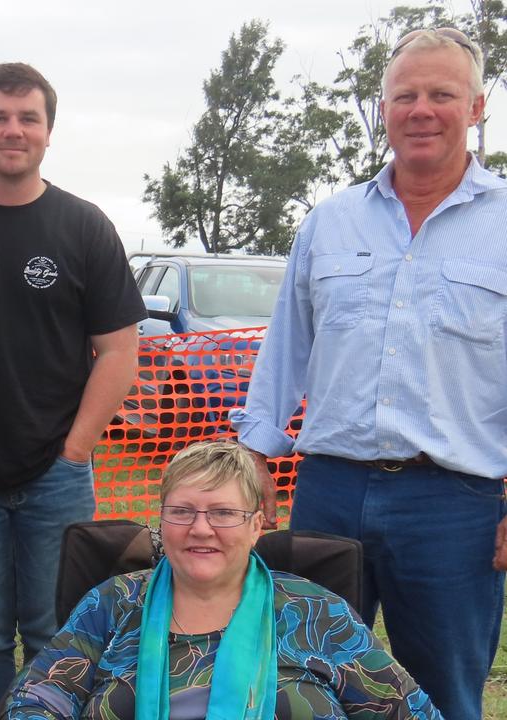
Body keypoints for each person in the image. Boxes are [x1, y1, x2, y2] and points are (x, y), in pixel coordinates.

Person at [230, 27, 507, 719]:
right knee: (301, 685)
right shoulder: (329, 222)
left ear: (475, 108)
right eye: (404, 95)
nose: (420, 109)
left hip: (455, 506)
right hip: (328, 490)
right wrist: (252, 452)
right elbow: (287, 344)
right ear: (381, 108)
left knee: (442, 696)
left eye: (440, 94)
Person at [0, 62, 145, 720]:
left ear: (47, 131)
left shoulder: (83, 226)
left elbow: (118, 351)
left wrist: (74, 450)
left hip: (57, 477)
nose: (12, 130)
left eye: (27, 118)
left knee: (53, 634)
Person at [0, 441, 443, 719]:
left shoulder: (317, 613)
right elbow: (38, 697)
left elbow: (407, 712)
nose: (200, 528)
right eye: (182, 511)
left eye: (224, 513)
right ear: (162, 520)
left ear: (256, 525)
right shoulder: (113, 603)